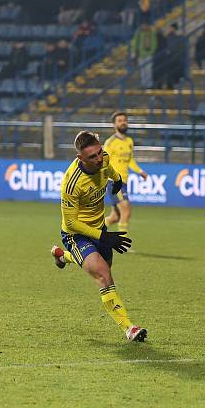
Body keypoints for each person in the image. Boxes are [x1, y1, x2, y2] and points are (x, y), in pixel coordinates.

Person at [49, 131, 146, 341]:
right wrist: (105, 237)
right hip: (76, 235)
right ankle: (129, 328)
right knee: (104, 274)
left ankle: (62, 256)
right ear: (80, 158)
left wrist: (117, 178)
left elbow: (108, 167)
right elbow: (71, 222)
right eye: (92, 157)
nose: (98, 159)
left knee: (104, 271)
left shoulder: (103, 159)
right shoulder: (71, 183)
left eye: (99, 153)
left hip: (99, 228)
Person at [102, 112, 148, 234]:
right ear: (114, 124)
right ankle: (123, 243)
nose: (123, 122)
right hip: (114, 182)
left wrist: (140, 171)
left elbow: (130, 160)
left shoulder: (129, 141)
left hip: (124, 182)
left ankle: (94, 233)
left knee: (115, 217)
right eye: (120, 120)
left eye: (124, 120)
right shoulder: (110, 143)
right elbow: (103, 162)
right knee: (126, 210)